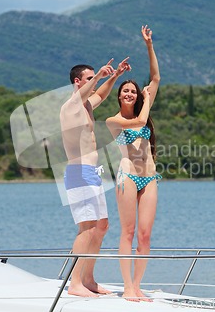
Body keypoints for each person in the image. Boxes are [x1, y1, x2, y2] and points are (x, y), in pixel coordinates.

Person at [60, 57, 131, 297]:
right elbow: (91, 90)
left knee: (101, 226)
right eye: (89, 79)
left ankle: (88, 279)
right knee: (87, 228)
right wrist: (99, 75)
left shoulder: (87, 106)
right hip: (78, 173)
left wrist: (114, 76)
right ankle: (75, 284)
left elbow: (100, 94)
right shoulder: (70, 106)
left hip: (93, 174)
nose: (94, 82)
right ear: (77, 82)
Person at [105, 25, 161, 301]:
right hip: (126, 177)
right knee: (126, 232)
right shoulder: (113, 121)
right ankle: (127, 287)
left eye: (133, 91)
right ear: (119, 95)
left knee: (145, 235)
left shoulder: (144, 100)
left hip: (149, 177)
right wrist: (148, 101)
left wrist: (148, 45)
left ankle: (138, 286)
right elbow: (138, 122)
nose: (129, 94)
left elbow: (156, 77)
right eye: (125, 91)